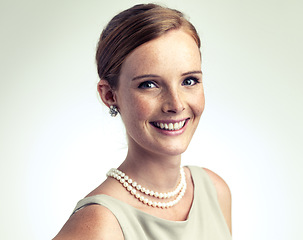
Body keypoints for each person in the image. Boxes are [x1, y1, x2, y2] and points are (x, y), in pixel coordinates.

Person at [53, 3, 232, 240]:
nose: (176, 105)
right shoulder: (100, 224)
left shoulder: (214, 190)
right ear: (109, 95)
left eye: (189, 81)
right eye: (149, 84)